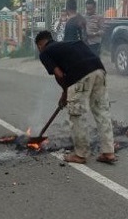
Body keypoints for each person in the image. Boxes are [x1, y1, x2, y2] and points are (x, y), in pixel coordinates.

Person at [35, 30, 116, 165]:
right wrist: (66, 94)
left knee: (77, 115)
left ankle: (80, 154)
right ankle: (108, 152)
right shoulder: (69, 45)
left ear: (39, 45)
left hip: (80, 75)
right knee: (102, 112)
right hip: (99, 70)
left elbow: (59, 75)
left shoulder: (45, 52)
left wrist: (65, 93)